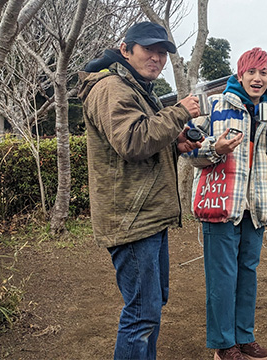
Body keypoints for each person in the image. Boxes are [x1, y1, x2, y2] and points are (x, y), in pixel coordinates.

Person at [78, 21, 201, 359]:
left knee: (150, 307)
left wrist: (173, 144)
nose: (157, 58)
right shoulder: (111, 87)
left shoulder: (136, 88)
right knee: (141, 313)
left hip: (146, 215)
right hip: (131, 219)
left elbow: (139, 142)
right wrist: (178, 113)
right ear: (125, 49)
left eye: (162, 52)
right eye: (149, 49)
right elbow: (131, 142)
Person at [184, 48, 267, 360]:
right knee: (222, 276)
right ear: (240, 75)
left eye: (264, 73)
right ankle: (223, 344)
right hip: (221, 203)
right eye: (252, 72)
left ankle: (244, 336)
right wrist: (215, 148)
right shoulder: (217, 106)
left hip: (256, 206)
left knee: (247, 273)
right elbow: (189, 150)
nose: (258, 78)